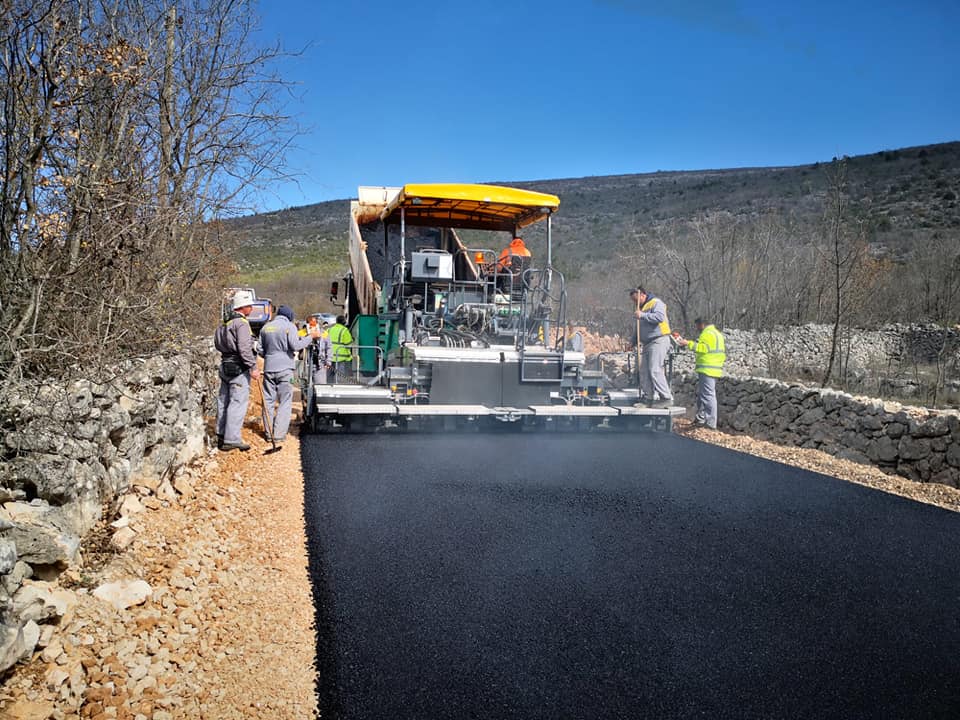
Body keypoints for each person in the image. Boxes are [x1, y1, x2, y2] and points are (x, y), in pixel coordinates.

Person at [258, 304, 319, 446]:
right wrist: (310, 337)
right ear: (289, 316)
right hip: (285, 369)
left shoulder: (266, 327)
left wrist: (270, 356)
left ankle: (268, 434)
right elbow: (295, 346)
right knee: (285, 401)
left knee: (268, 401)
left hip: (269, 368)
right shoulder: (289, 327)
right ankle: (278, 435)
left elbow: (260, 349)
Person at [214, 290, 261, 451]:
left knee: (223, 401)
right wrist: (253, 367)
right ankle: (232, 439)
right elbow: (244, 348)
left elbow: (217, 344)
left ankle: (221, 435)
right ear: (242, 306)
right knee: (237, 403)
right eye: (249, 305)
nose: (251, 308)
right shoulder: (241, 324)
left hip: (225, 364)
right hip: (238, 368)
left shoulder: (224, 323)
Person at [675, 318, 726, 429]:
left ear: (702, 324)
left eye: (697, 325)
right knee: (704, 395)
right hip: (715, 368)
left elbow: (702, 348)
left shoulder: (707, 334)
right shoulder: (717, 334)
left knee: (708, 396)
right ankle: (701, 418)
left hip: (707, 368)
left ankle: (710, 423)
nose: (697, 328)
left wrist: (688, 343)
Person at [630, 286, 673, 408]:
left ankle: (666, 397)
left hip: (659, 339)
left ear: (643, 295)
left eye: (636, 299)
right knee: (644, 370)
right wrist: (632, 342)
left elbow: (659, 317)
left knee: (654, 368)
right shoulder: (641, 309)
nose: (635, 302)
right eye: (633, 300)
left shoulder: (656, 303)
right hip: (647, 343)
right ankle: (648, 398)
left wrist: (643, 315)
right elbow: (638, 329)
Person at [327, 315, 354, 384]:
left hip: (329, 357)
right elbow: (348, 343)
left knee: (329, 376)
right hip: (340, 358)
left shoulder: (329, 329)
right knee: (339, 377)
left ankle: (329, 388)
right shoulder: (344, 330)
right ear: (344, 322)